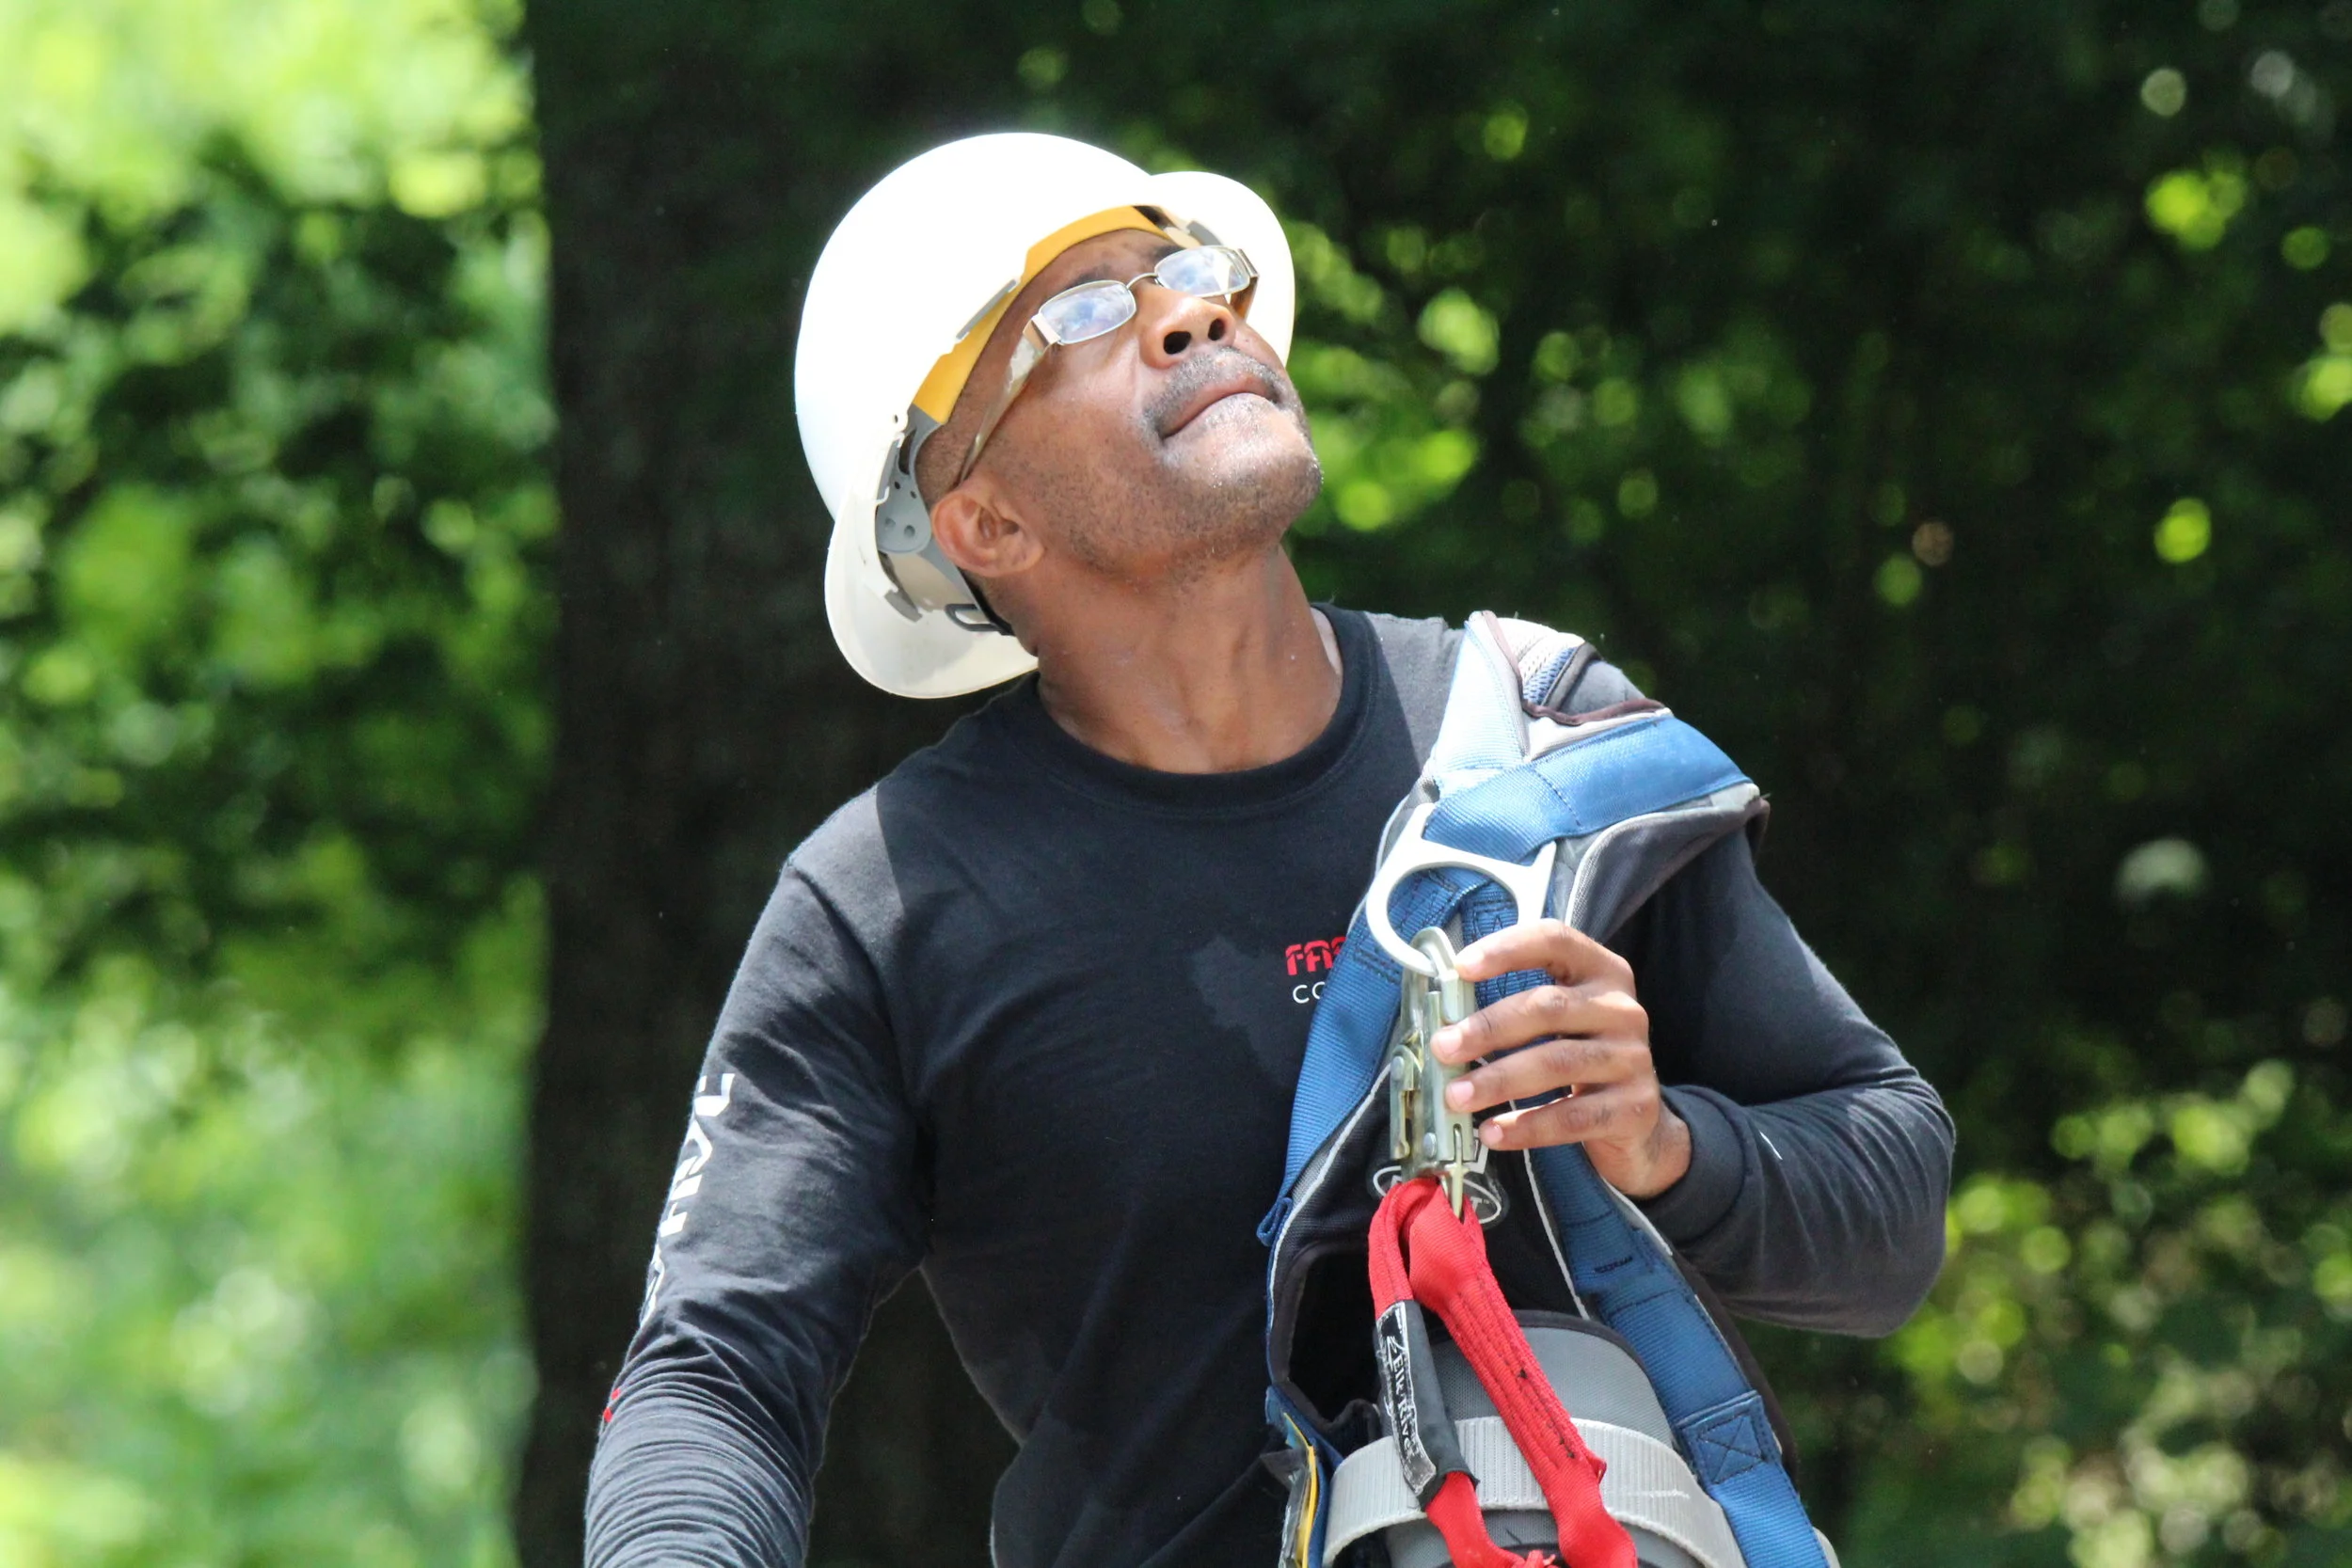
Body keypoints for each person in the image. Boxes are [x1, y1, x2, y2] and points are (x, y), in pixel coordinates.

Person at [583, 133, 1953, 1568]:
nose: (1193, 311)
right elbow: (714, 1376)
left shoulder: (1540, 753)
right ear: (980, 517)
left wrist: (1665, 1142)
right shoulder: (888, 907)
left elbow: (1895, 1207)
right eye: (1079, 316)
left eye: (1185, 270)